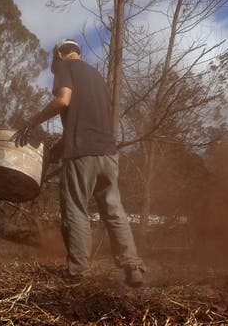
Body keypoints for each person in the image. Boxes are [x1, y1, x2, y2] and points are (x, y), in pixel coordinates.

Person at [14, 39, 146, 287]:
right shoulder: (97, 77)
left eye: (55, 62)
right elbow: (89, 120)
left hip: (82, 153)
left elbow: (63, 101)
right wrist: (58, 148)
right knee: (114, 210)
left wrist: (32, 121)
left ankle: (78, 272)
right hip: (108, 153)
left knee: (76, 209)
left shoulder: (66, 67)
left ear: (61, 55)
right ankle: (133, 265)